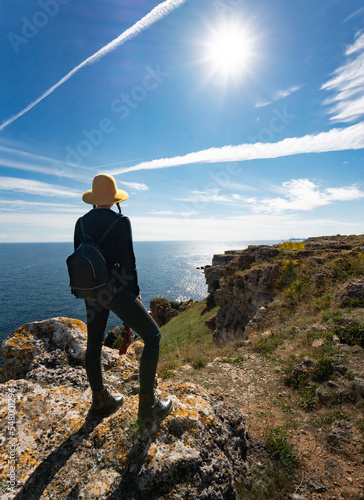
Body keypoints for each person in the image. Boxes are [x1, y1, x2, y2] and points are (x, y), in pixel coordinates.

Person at [73, 174, 173, 421]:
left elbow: (79, 257)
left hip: (91, 290)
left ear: (94, 199)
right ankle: (148, 406)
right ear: (115, 198)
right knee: (153, 335)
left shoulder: (81, 223)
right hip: (115, 291)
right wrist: (135, 292)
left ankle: (100, 400)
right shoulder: (121, 221)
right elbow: (129, 262)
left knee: (94, 344)